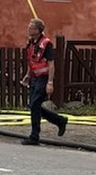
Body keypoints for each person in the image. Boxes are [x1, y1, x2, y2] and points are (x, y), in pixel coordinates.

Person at [21, 17, 68, 145]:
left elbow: (51, 64)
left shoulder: (46, 44)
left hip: (44, 78)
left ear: (38, 30)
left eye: (31, 27)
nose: (28, 29)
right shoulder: (31, 43)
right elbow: (31, 61)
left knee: (35, 104)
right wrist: (28, 75)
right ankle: (59, 121)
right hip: (34, 78)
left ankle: (34, 136)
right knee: (33, 106)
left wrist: (50, 82)